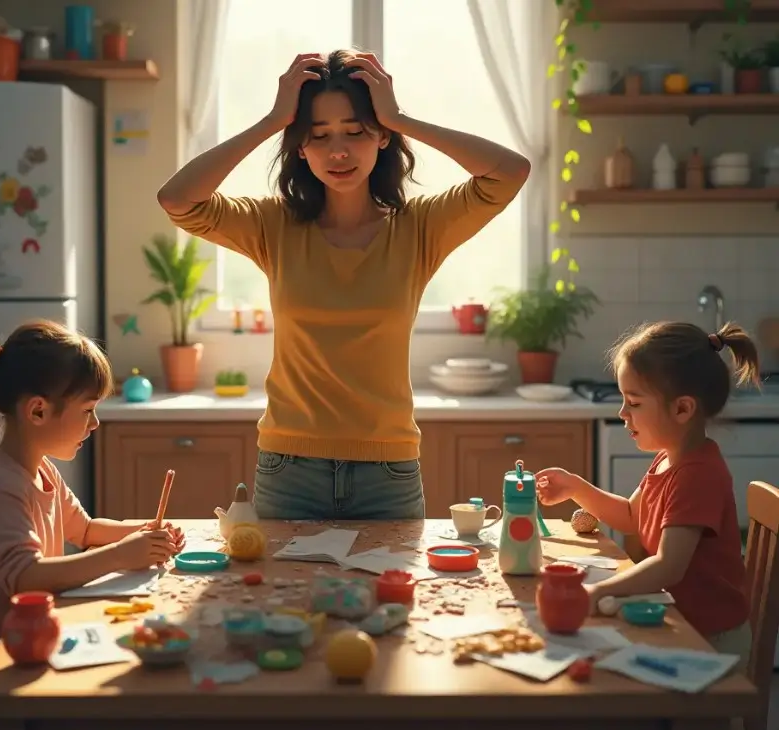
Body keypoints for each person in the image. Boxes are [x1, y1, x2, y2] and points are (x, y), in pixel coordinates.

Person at [158, 50, 530, 521]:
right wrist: (273, 121)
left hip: (388, 472)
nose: (339, 151)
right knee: (277, 597)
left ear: (382, 138)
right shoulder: (273, 226)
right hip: (289, 470)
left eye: (356, 132)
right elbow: (177, 199)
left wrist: (399, 116)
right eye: (319, 136)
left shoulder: (420, 227)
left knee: (395, 598)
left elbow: (509, 172)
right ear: (300, 147)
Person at [0, 320, 186, 682]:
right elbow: (27, 578)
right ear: (38, 411)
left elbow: (85, 529)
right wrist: (122, 554)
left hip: (32, 647)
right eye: (88, 410)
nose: (96, 424)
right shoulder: (0, 489)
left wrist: (145, 532)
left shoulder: (40, 469)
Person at [536, 321, 759, 663]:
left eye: (634, 403)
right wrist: (575, 486)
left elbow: (668, 566)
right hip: (677, 619)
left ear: (683, 409)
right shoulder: (668, 458)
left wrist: (598, 591)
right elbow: (630, 516)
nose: (622, 413)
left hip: (711, 639)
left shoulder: (698, 475)